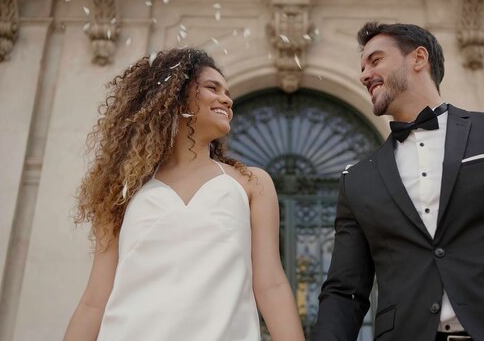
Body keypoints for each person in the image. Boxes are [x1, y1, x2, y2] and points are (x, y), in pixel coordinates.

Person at [313, 22, 484, 341]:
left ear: (419, 58)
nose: (364, 74)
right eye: (362, 67)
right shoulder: (357, 179)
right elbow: (343, 292)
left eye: (375, 60)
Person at [64, 48, 305, 341]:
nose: (227, 99)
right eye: (211, 88)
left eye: (227, 92)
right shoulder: (124, 190)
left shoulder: (252, 183)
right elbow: (94, 300)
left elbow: (271, 285)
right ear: (175, 94)